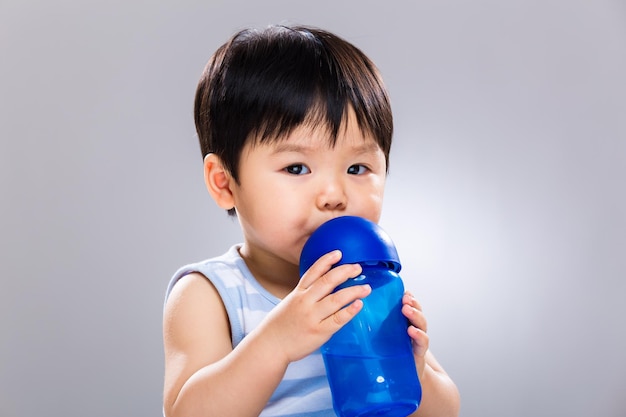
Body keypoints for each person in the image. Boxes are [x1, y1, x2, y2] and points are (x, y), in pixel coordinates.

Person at [162, 24, 460, 417]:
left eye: (357, 167)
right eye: (298, 167)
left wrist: (415, 372)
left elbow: (446, 412)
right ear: (225, 183)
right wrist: (276, 342)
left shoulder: (369, 286)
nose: (334, 195)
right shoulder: (210, 294)